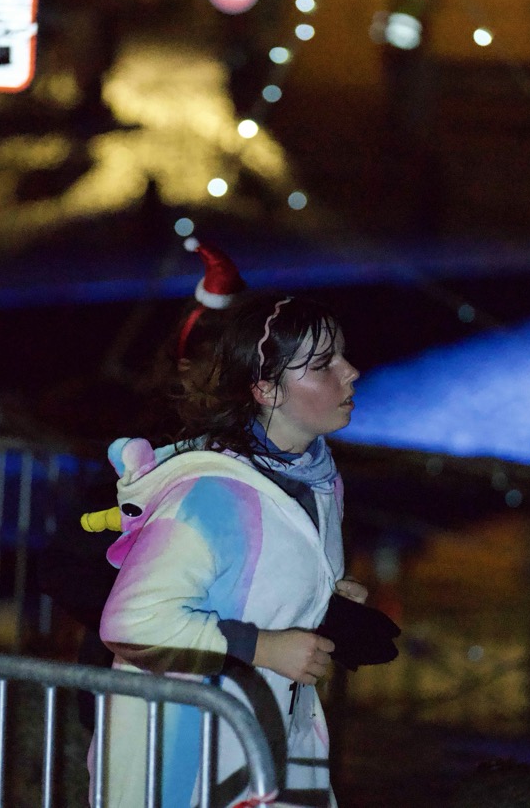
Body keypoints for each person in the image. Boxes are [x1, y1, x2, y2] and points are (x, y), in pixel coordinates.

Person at [93, 292, 379, 807]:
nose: (351, 371)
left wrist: (326, 597)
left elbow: (253, 580)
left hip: (265, 745)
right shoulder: (210, 496)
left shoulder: (319, 481)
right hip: (182, 759)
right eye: (322, 364)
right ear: (266, 389)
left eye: (342, 355)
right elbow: (132, 623)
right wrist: (264, 647)